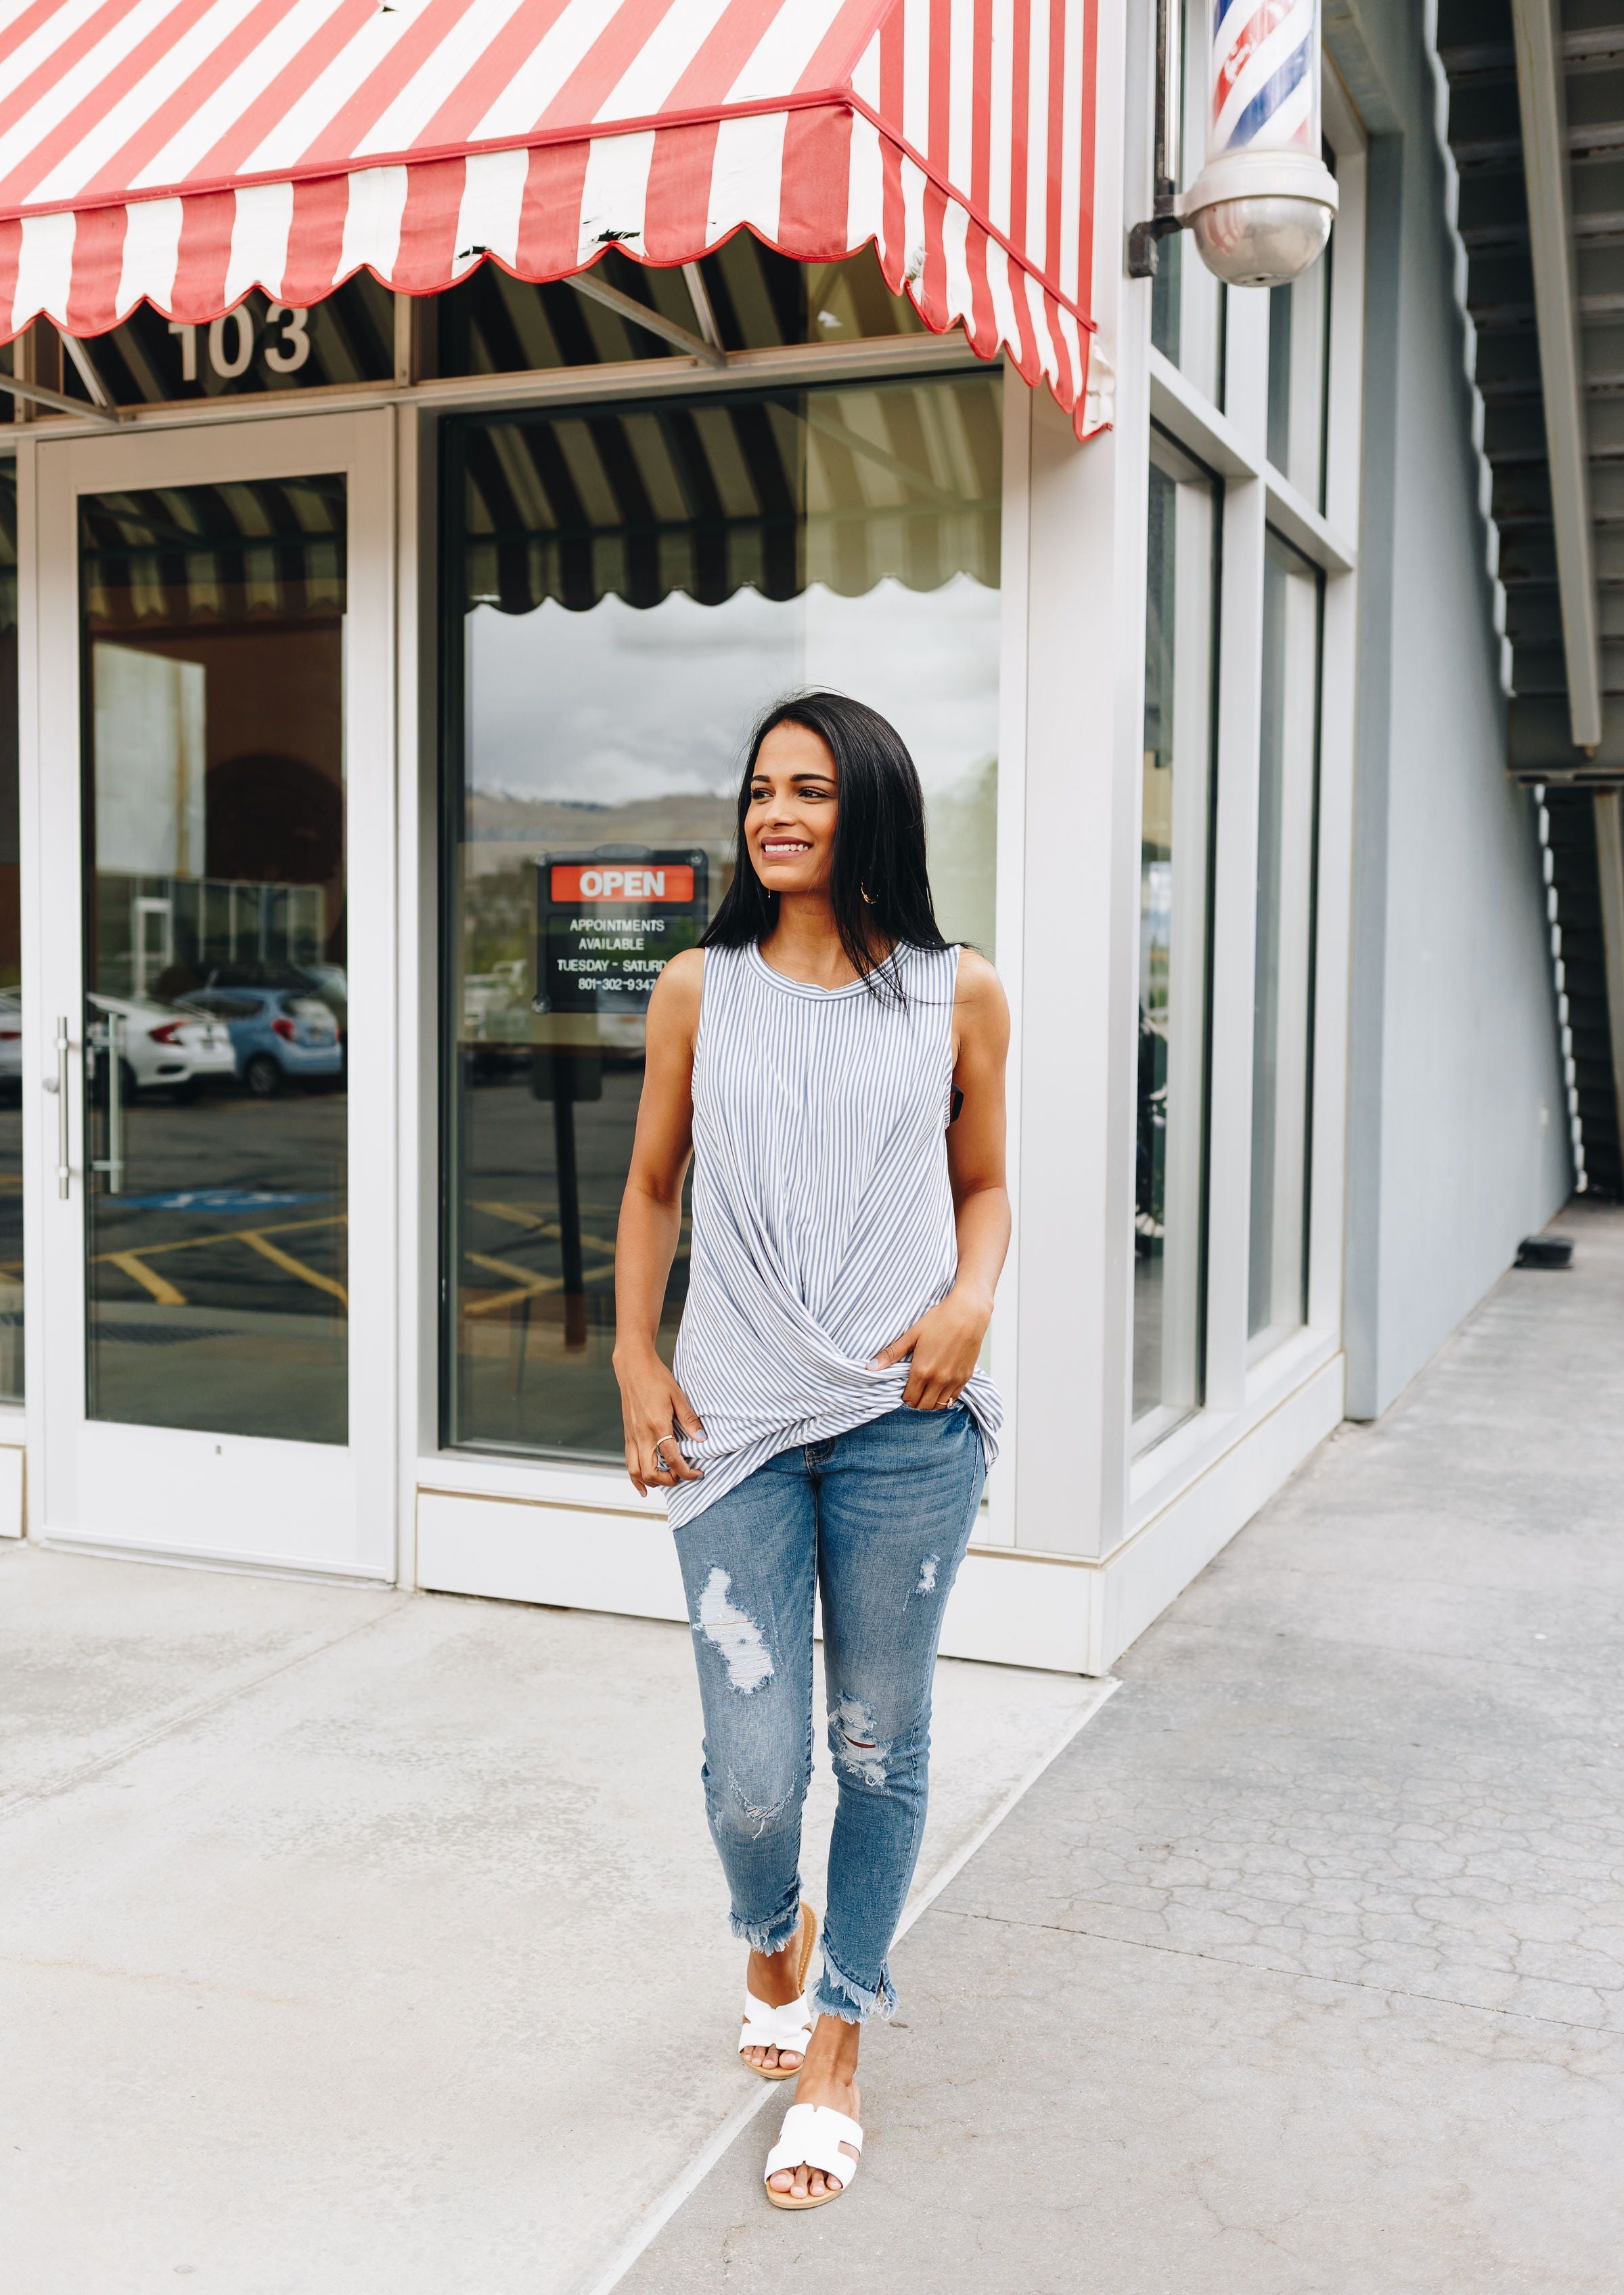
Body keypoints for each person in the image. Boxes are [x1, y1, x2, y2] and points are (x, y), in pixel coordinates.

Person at [613, 691, 1010, 2212]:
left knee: (877, 1745)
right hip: (734, 1420)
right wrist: (641, 1358)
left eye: (812, 790)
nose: (776, 814)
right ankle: (768, 1933)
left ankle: (838, 2041)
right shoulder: (697, 988)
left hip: (907, 1423)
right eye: (762, 791)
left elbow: (986, 1185)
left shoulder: (956, 993)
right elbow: (654, 1187)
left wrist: (971, 1300)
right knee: (758, 1774)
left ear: (874, 811)